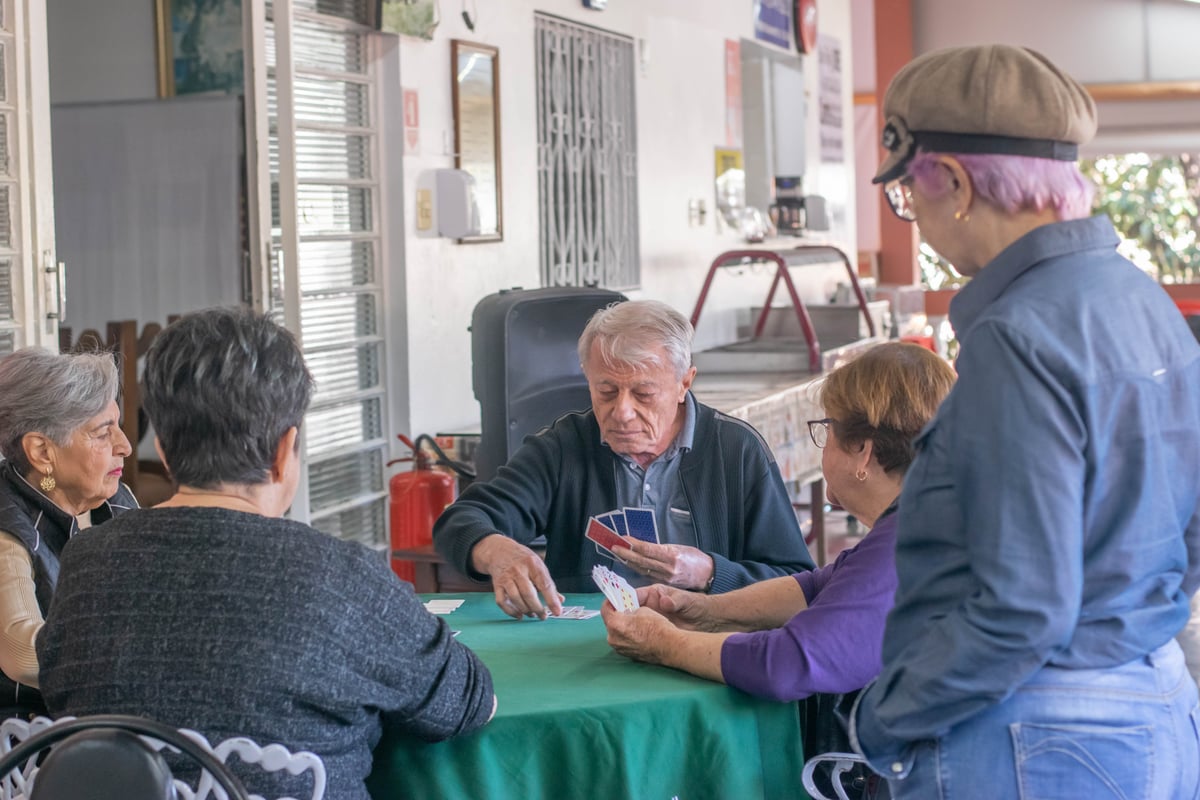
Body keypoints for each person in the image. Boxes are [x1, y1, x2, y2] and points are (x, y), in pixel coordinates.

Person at [849, 45, 1200, 799]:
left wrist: (884, 717)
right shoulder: (1142, 302)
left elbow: (1023, 609)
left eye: (909, 196)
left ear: (956, 183)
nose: (919, 219)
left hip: (1034, 733)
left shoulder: (1017, 334)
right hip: (1158, 705)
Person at [37, 307, 496, 800]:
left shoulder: (86, 563)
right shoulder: (340, 577)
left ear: (165, 450)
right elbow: (468, 701)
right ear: (285, 451)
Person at [602, 343, 954, 797]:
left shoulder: (910, 543)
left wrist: (663, 642)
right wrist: (701, 610)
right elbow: (817, 586)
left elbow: (788, 665)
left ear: (863, 451)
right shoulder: (932, 513)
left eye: (827, 431)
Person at [434, 299, 814, 620]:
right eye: (606, 391)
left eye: (644, 394)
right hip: (589, 645)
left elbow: (798, 582)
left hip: (708, 645)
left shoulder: (736, 451)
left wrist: (711, 573)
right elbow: (461, 520)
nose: (622, 411)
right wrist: (495, 549)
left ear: (685, 383)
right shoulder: (565, 447)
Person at [0, 347, 136, 718]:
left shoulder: (113, 497)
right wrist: (141, 651)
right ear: (42, 452)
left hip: (104, 717)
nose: (124, 446)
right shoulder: (7, 529)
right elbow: (22, 653)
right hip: (31, 746)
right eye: (102, 433)